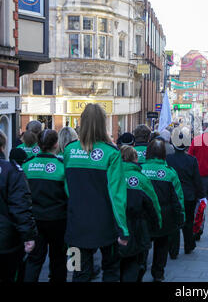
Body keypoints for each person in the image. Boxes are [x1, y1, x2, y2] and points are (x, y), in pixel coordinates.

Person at [63, 103, 129, 282]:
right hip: (105, 226)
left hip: (75, 225)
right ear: (103, 123)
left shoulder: (69, 150)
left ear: (81, 122)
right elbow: (117, 196)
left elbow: (68, 187)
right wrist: (123, 229)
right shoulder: (112, 154)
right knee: (111, 271)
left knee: (77, 272)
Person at [21, 129, 67, 282]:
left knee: (34, 259)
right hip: (58, 220)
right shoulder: (62, 166)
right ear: (56, 144)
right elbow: (69, 194)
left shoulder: (27, 165)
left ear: (39, 145)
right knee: (59, 259)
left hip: (35, 220)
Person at [141, 139, 185, 282]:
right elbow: (178, 198)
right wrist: (181, 216)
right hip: (164, 217)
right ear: (163, 154)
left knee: (143, 245)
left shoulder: (140, 170)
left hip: (144, 216)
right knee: (162, 245)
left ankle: (140, 268)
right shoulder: (170, 173)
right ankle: (158, 273)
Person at [119, 146, 162, 282]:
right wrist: (157, 223)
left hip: (117, 227)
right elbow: (153, 203)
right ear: (135, 159)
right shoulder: (141, 179)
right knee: (136, 262)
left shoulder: (112, 175)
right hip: (137, 227)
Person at [0, 130, 37, 282]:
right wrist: (28, 236)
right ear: (3, 146)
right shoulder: (11, 171)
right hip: (6, 242)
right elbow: (20, 206)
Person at [166, 127, 205, 257]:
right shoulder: (192, 160)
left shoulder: (168, 159)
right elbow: (197, 179)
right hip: (189, 196)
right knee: (188, 221)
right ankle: (189, 245)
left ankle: (173, 250)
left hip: (173, 196)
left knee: (174, 223)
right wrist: (201, 195)